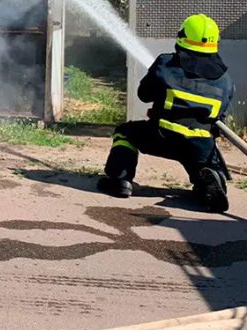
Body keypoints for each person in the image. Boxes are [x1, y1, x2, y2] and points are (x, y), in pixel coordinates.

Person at [98, 13, 234, 212]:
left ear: (182, 38)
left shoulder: (166, 63)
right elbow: (219, 119)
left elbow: (144, 94)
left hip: (161, 136)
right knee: (205, 164)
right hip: (199, 145)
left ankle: (120, 181)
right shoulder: (226, 80)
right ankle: (207, 178)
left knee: (125, 132)